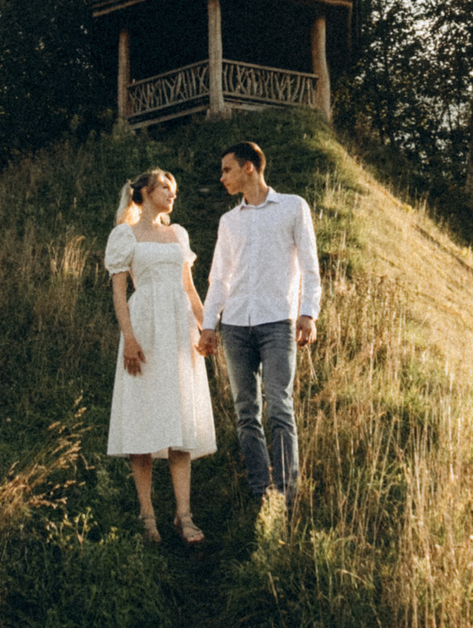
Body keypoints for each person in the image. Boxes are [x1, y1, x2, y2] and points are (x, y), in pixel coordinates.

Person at [197, 140, 320, 513]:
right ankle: (259, 493)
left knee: (280, 407)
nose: (222, 178)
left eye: (227, 169)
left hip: (277, 323)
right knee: (245, 412)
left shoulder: (293, 208)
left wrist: (308, 313)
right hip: (235, 325)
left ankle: (286, 496)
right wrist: (209, 324)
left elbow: (311, 268)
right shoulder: (228, 221)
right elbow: (218, 277)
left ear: (249, 167)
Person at [103, 167, 218, 543]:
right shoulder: (126, 235)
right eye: (165, 188)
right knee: (143, 416)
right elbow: (120, 293)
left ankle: (184, 516)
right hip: (145, 328)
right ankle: (147, 515)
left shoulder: (178, 234)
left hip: (178, 328)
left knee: (180, 418)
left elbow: (188, 287)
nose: (172, 194)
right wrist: (130, 339)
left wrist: (206, 327)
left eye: (174, 189)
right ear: (146, 192)